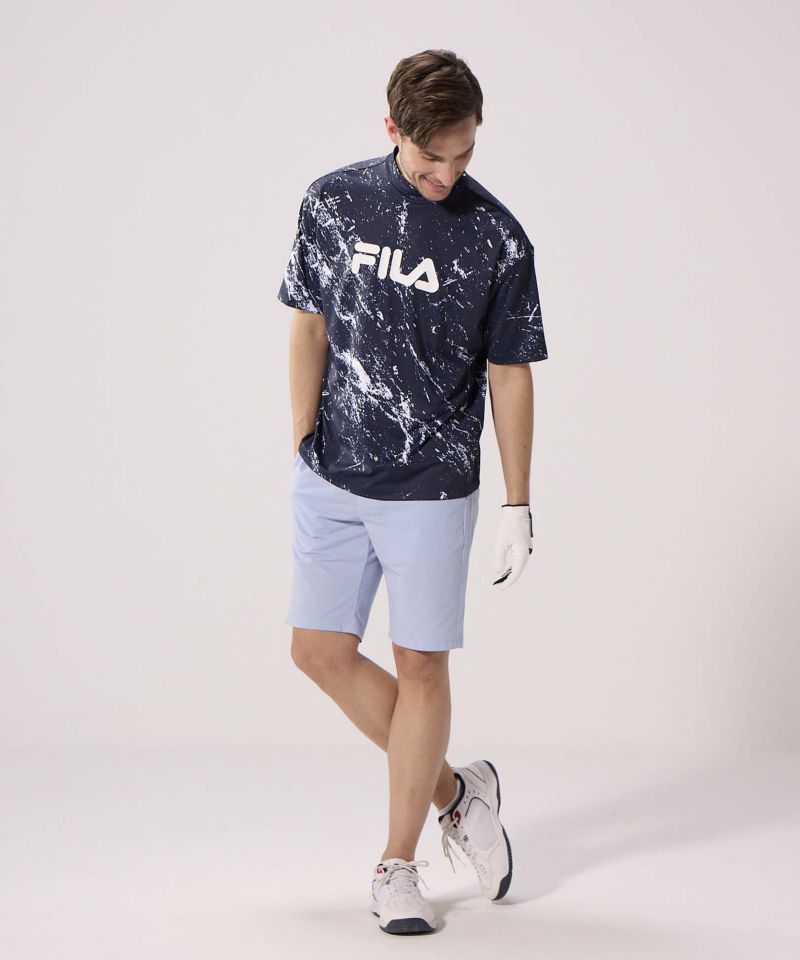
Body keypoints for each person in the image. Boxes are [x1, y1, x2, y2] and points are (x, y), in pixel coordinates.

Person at [277, 48, 548, 935]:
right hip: (332, 473)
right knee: (318, 650)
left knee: (421, 663)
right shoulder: (334, 200)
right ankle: (458, 791)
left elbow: (510, 372)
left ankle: (398, 864)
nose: (447, 175)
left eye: (464, 156)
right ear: (392, 127)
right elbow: (308, 323)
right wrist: (303, 440)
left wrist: (517, 502)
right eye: (433, 156)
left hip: (432, 484)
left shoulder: (497, 237)